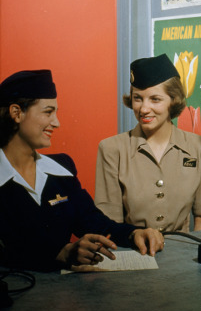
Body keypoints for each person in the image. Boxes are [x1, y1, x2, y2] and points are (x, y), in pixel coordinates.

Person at [0, 69, 163, 272]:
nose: (56, 123)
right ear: (16, 113)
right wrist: (61, 254)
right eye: (48, 112)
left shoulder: (61, 170)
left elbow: (96, 223)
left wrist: (134, 234)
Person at [95, 54, 201, 233]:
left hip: (182, 255)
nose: (144, 109)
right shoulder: (112, 149)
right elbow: (109, 225)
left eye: (155, 99)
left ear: (173, 100)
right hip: (133, 254)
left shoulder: (197, 146)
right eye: (138, 98)